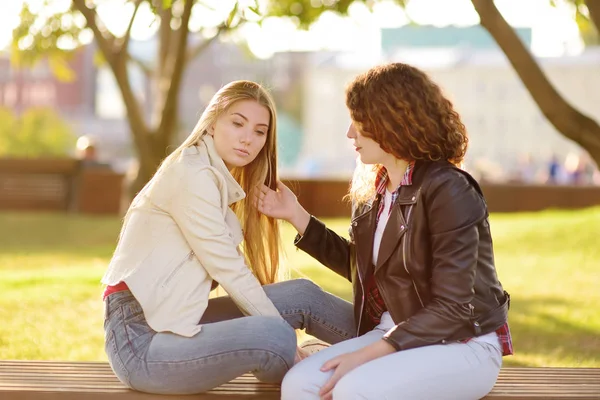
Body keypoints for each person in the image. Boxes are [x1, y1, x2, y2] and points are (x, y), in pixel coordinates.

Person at [255, 63, 513, 400]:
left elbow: (453, 307)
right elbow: (364, 266)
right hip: (392, 332)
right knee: (300, 385)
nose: (350, 134)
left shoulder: (448, 190)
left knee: (354, 389)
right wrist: (295, 214)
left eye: (359, 123)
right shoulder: (375, 189)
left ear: (391, 121)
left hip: (463, 343)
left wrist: (365, 354)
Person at [100, 80, 356, 395]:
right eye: (237, 123)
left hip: (176, 318)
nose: (248, 139)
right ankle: (319, 368)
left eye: (260, 131)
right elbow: (229, 270)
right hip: (141, 342)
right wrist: (290, 348)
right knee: (275, 337)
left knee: (303, 296)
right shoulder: (192, 175)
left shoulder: (213, 175)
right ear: (211, 122)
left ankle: (391, 341)